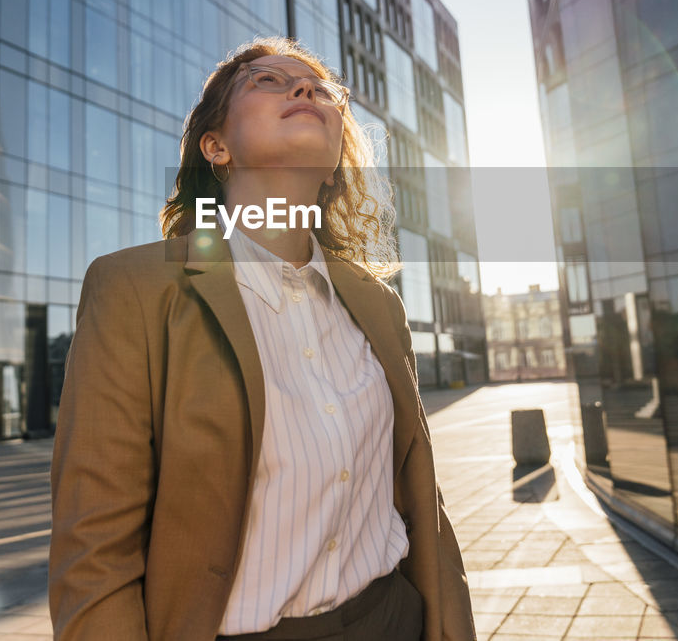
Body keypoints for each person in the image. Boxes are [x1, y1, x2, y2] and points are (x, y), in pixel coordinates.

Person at [48, 36, 475, 641]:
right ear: (216, 146)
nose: (306, 89)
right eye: (267, 80)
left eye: (322, 90)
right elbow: (94, 555)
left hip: (393, 619)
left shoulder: (378, 304)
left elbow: (419, 504)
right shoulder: (135, 289)